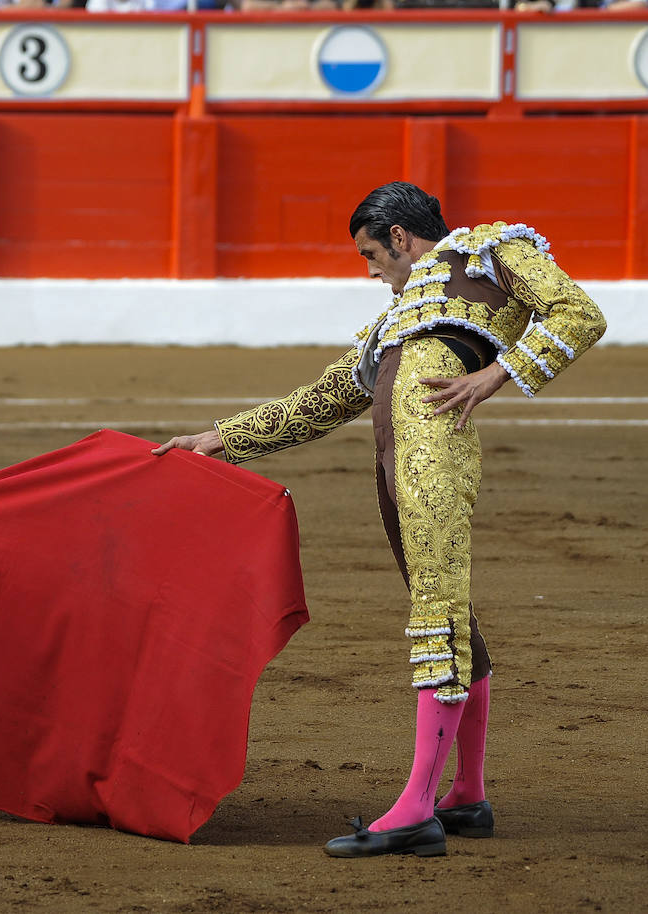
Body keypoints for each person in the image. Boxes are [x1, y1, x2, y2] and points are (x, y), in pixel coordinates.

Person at [150, 182, 606, 858]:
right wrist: (217, 439)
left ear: (399, 237)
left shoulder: (491, 250)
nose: (373, 273)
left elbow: (579, 313)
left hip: (434, 448)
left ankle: (417, 809)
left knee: (437, 608)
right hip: (396, 460)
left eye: (372, 255)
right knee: (447, 607)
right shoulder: (393, 325)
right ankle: (466, 794)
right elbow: (326, 398)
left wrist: (496, 374)